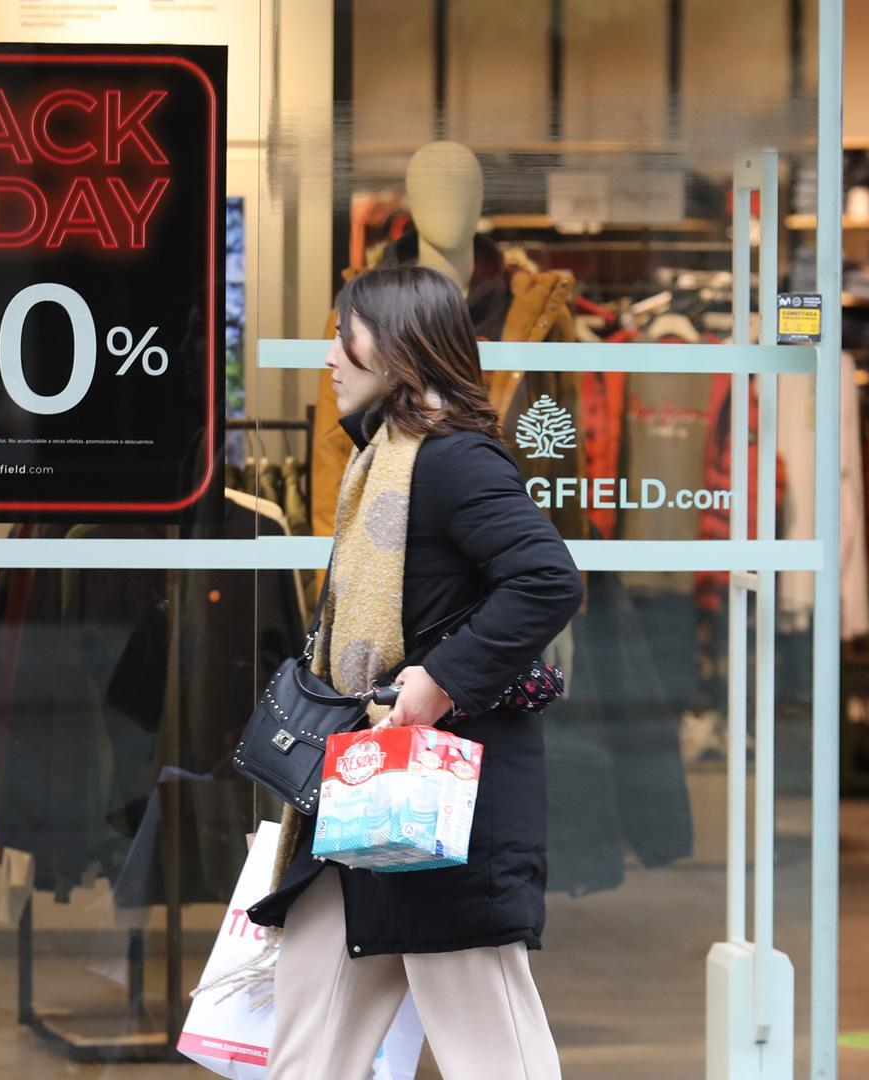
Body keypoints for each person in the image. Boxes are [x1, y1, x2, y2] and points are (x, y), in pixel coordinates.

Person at [249, 265, 583, 1079]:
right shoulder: (382, 463)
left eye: (345, 335)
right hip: (367, 796)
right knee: (306, 1046)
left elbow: (547, 580)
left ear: (399, 344)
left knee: (492, 1053)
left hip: (443, 807)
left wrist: (440, 679)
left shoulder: (451, 460)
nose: (329, 355)